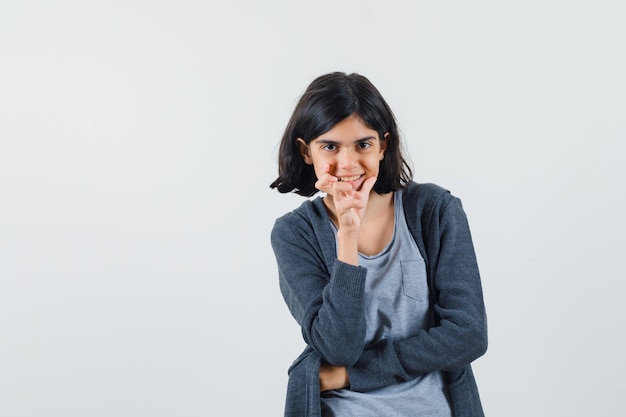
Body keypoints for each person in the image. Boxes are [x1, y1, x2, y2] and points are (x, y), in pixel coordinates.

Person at [270, 72, 488, 417]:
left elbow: (468, 334)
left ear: (383, 145)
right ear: (306, 151)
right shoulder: (295, 233)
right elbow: (338, 347)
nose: (348, 163)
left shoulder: (433, 210)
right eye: (330, 146)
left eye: (363, 144)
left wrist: (355, 374)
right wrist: (347, 237)